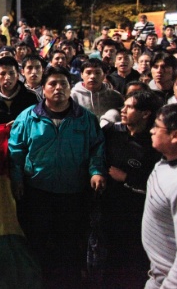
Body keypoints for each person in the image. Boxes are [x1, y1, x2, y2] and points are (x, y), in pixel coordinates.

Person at [8, 67, 106, 287]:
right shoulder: (28, 117)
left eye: (63, 83)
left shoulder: (85, 119)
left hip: (73, 192)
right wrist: (17, 180)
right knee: (38, 243)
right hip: (37, 191)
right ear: (43, 89)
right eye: (52, 84)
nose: (58, 88)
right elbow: (15, 151)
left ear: (71, 88)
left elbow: (96, 148)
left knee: (70, 245)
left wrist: (96, 171)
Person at [101, 90, 163, 288]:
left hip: (139, 215)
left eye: (129, 107)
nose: (123, 110)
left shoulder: (155, 144)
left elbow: (159, 184)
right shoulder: (111, 132)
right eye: (123, 105)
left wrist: (128, 178)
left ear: (145, 113)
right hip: (108, 209)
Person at [142, 103, 177, 289]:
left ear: (175, 136)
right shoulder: (166, 161)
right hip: (157, 274)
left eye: (157, 127)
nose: (151, 131)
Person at [0, 57, 39, 127]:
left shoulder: (31, 96)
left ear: (17, 75)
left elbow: (40, 121)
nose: (7, 77)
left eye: (11, 73)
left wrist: (21, 124)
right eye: (3, 74)